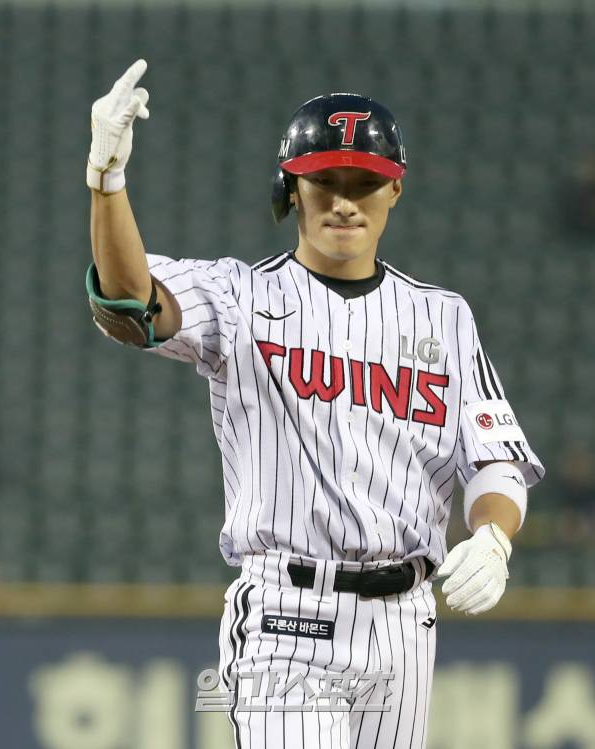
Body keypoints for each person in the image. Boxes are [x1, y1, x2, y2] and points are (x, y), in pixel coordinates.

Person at [86, 59, 544, 749]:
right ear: (290, 189)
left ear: (395, 190)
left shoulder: (444, 317)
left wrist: (494, 537)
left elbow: (496, 460)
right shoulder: (240, 298)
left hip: (405, 623)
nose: (344, 202)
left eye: (365, 183)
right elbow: (129, 300)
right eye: (325, 181)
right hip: (286, 616)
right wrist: (108, 181)